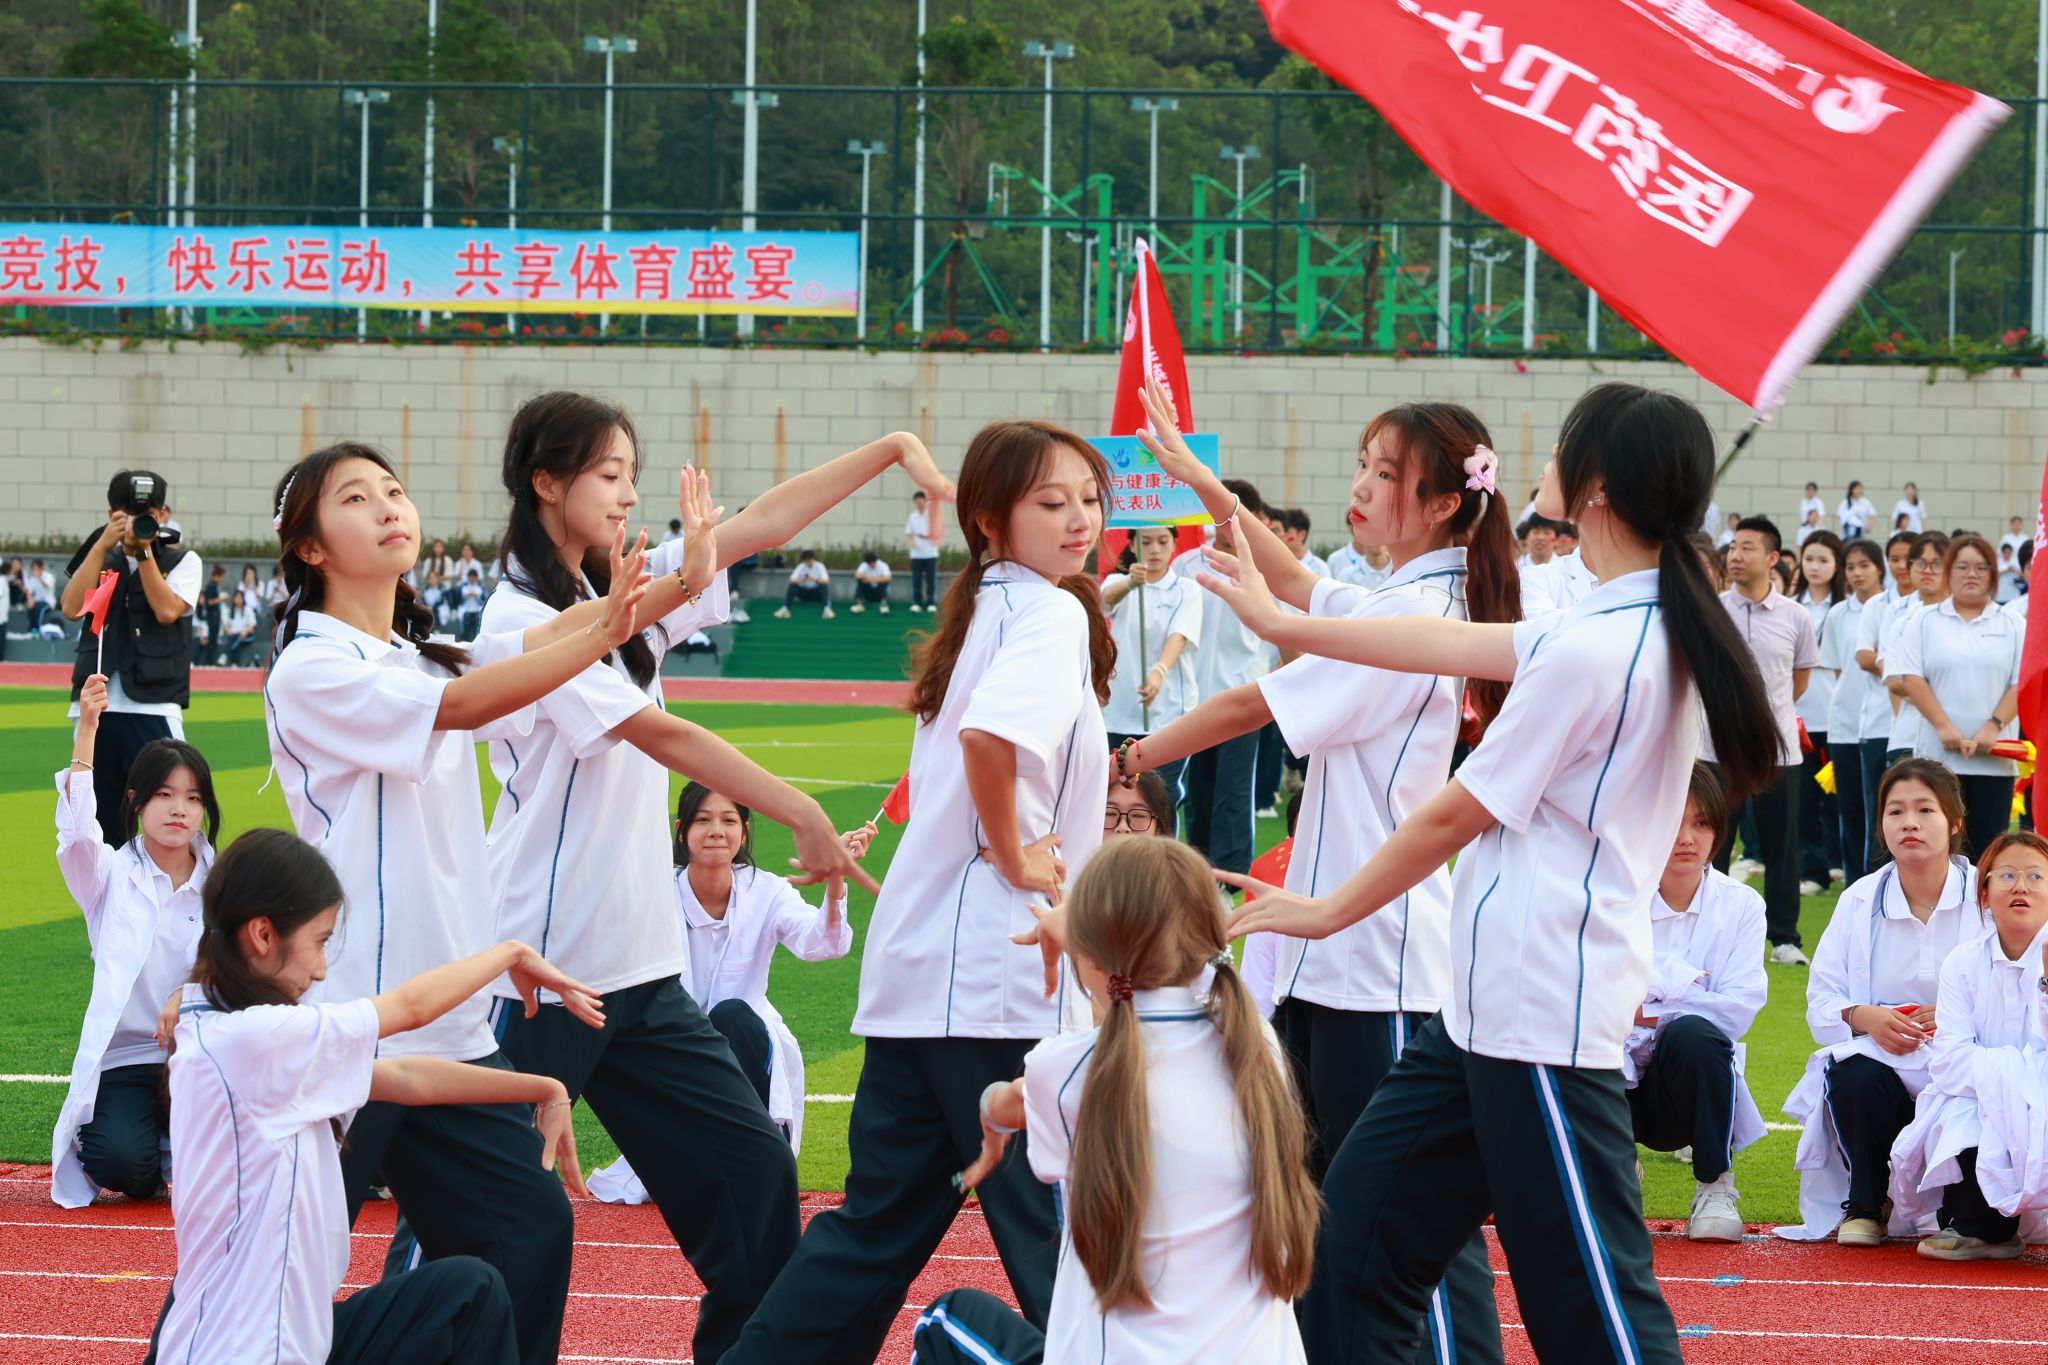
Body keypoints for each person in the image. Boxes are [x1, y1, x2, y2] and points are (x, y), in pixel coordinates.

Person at [1213, 382, 1778, 1362]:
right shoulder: (1602, 621)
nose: (1539, 461)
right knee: (1347, 1261)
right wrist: (1291, 623)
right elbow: (1437, 637)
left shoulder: (1603, 647)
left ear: (1595, 488)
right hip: (1481, 1013)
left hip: (1539, 1012)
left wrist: (1326, 909)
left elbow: (1453, 811)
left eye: (1561, 447)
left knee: (1591, 1313)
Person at [480, 392, 932, 1363]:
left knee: (756, 1183)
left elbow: (761, 522)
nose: (627, 494)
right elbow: (663, 735)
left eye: (632, 476)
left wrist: (892, 447)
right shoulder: (523, 619)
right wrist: (798, 807)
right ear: (545, 483)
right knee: (493, 1227)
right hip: (541, 972)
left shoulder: (616, 599)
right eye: (608, 474)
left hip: (639, 975)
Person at [1116, 381, 1517, 1363]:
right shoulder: (1403, 598)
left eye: (1387, 474)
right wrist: (1198, 478)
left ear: (1443, 503)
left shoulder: (1412, 615)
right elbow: (1296, 583)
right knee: (1329, 1209)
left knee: (1406, 1223)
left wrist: (1130, 757)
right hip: (1329, 956)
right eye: (1363, 466)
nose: (1363, 486)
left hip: (1373, 966)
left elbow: (1252, 703)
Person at [724, 420, 1113, 1364]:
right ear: (988, 520)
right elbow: (990, 740)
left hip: (922, 981)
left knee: (873, 1232)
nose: (1080, 520)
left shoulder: (987, 610)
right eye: (1051, 502)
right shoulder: (1048, 614)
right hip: (998, 981)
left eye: (1088, 499)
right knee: (1065, 1238)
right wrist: (1017, 856)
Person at [263, 440, 652, 1365]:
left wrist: (671, 584)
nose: (388, 506)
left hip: (447, 1022)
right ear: (310, 546)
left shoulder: (422, 658)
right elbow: (473, 703)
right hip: (353, 1021)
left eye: (394, 489)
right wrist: (606, 629)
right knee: (279, 1261)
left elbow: (539, 645)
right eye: (356, 498)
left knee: (528, 1227)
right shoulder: (312, 668)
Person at [151, 827, 601, 1365]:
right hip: (245, 1353)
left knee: (466, 1291)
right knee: (465, 1296)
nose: (322, 969)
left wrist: (544, 1089)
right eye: (320, 941)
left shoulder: (224, 1024)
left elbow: (407, 1079)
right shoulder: (255, 1041)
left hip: (295, 1342)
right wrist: (511, 953)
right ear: (263, 934)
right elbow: (410, 1009)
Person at [913, 837, 1321, 1365]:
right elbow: (1142, 1016)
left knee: (945, 1318)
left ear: (1092, 954)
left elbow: (998, 1103)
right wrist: (1095, 951)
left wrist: (992, 1137)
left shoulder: (1069, 1068)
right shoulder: (1256, 1046)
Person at [588, 783, 866, 1204]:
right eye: (703, 820)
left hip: (747, 1045)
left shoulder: (767, 891)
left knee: (732, 1015)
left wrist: (835, 880)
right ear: (681, 831)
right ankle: (697, 1157)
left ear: (744, 831)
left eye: (728, 820)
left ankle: (759, 1153)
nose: (716, 830)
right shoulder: (655, 894)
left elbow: (824, 944)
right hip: (675, 1051)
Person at [1778, 758, 1981, 1245]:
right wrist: (1862, 1016)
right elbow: (1822, 998)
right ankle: (1867, 1202)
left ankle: (1965, 1208)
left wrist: (1956, 1017)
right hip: (1887, 1067)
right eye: (1895, 811)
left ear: (1954, 821)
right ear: (1881, 824)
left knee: (1982, 1082)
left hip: (1962, 1065)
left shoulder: (1987, 894)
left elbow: (2022, 992)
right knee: (1853, 1072)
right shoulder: (1859, 900)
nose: (1910, 822)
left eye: (1925, 810)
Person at [49, 674, 218, 1209]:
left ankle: (177, 1142)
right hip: (126, 1059)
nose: (178, 809)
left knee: (227, 1165)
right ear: (135, 800)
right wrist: (88, 729)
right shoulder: (108, 875)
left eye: (192, 797)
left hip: (202, 1055)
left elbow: (245, 970)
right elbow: (78, 832)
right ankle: (154, 1148)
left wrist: (188, 995)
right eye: (164, 794)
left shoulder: (226, 881)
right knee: (120, 1162)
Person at [1625, 765, 1769, 1243]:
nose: (1687, 838)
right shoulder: (1614, 896)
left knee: (1695, 1034)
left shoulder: (1741, 905)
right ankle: (1612, 1170)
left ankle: (1714, 1184)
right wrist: (1683, 998)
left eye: (1702, 823)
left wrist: (1647, 1011)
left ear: (1719, 830)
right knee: (1589, 1033)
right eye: (1672, 822)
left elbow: (1738, 1009)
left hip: (1687, 1086)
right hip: (1611, 1079)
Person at [1888, 830, 2048, 1259]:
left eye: (2035, 876)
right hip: (1981, 1096)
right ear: (1984, 893)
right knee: (1963, 1110)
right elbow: (1949, 1062)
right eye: (2007, 875)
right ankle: (1981, 1228)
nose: (2020, 886)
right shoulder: (1962, 962)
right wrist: (2015, 1084)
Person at [61, 470, 204, 845]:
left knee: (170, 814)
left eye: (149, 515)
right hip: (97, 705)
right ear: (111, 515)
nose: (138, 522)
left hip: (155, 704)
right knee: (97, 821)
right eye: (126, 515)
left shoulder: (183, 560)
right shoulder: (99, 554)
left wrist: (143, 553)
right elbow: (72, 607)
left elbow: (167, 610)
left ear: (163, 515)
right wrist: (103, 545)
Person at [1709, 516, 1819, 966]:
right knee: (1713, 846)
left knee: (1781, 848)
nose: (1736, 555)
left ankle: (1784, 938)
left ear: (1772, 558)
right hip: (1716, 749)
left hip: (1778, 752)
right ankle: (1710, 935)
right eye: (1733, 547)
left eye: (1747, 547)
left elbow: (1798, 681)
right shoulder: (1712, 610)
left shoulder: (1796, 616)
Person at [1893, 533, 2024, 860]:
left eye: (1981, 567)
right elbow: (1912, 678)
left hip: (1994, 761)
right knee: (1936, 853)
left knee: (1987, 856)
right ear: (1949, 571)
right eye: (1962, 566)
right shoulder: (1924, 620)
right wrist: (1943, 727)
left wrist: (1992, 727)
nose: (1971, 574)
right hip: (1936, 760)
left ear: (1994, 575)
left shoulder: (2012, 623)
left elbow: (2020, 682)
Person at [1169, 478, 1273, 880]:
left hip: (1244, 696)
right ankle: (1198, 873)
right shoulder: (1185, 564)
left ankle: (1228, 880)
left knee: (1233, 791)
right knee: (1198, 790)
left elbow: (1287, 631)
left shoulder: (1264, 567)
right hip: (1193, 697)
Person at [1100, 525, 1203, 817]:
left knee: (1161, 798)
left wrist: (1158, 672)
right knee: (1116, 796)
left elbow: (1179, 635)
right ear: (1132, 545)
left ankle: (1162, 849)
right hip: (1120, 712)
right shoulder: (1117, 583)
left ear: (1174, 544)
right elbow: (1103, 602)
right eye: (1145, 542)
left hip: (1170, 713)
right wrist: (1131, 583)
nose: (1155, 549)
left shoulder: (1186, 588)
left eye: (1162, 541)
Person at [1827, 540, 1890, 882]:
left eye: (1864, 565)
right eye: (1850, 567)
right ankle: (1855, 886)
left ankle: (1885, 881)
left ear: (1879, 568)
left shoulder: (1892, 607)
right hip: (1845, 724)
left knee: (1881, 811)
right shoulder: (1838, 614)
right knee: (1850, 810)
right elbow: (1839, 669)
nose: (1857, 573)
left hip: (1883, 723)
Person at [1795, 531, 1847, 894]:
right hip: (1798, 716)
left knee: (1837, 798)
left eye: (1823, 560)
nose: (1815, 567)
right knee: (1804, 799)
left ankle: (1837, 861)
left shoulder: (1844, 609)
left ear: (1836, 565)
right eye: (1809, 559)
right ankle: (1812, 871)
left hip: (1837, 718)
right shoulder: (1789, 605)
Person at [1882, 531, 1952, 766]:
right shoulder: (1902, 620)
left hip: (1958, 738)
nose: (1927, 570)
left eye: (1937, 563)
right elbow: (1896, 682)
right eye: (1920, 563)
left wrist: (1919, 687)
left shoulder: (1965, 619)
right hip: (1907, 737)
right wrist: (1949, 690)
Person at [1328, 516, 1393, 590]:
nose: (1378, 537)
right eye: (1372, 532)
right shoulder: (1346, 577)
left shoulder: (1401, 573)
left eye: (1382, 532)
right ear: (1361, 536)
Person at [906, 488, 941, 612]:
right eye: (917, 501)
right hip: (916, 554)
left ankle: (931, 602)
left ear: (925, 501)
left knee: (931, 579)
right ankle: (917, 602)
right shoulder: (912, 517)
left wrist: (929, 536)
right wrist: (912, 543)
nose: (919, 503)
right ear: (915, 502)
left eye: (921, 500)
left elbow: (938, 531)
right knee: (916, 579)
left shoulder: (932, 515)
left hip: (930, 552)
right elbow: (908, 533)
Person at [775, 549, 833, 619]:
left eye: (810, 560)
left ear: (813, 559)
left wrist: (814, 579)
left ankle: (826, 609)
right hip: (804, 593)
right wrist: (803, 580)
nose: (808, 562)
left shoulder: (820, 566)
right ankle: (785, 608)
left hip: (816, 593)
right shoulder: (800, 566)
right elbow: (791, 580)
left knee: (824, 586)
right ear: (804, 560)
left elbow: (827, 581)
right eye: (806, 560)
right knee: (792, 586)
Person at [196, 563, 226, 664]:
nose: (222, 579)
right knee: (211, 639)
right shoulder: (210, 586)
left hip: (215, 615)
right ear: (216, 576)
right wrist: (221, 599)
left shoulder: (215, 585)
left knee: (213, 639)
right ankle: (208, 661)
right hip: (212, 615)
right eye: (221, 577)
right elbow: (209, 602)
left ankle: (211, 661)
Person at [220, 588, 258, 665]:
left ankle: (225, 655)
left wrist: (245, 631)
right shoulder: (230, 610)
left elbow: (252, 625)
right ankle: (235, 664)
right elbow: (226, 625)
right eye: (236, 597)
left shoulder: (248, 610)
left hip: (246, 636)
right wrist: (228, 630)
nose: (238, 599)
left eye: (240, 597)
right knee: (235, 640)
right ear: (233, 599)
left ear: (243, 599)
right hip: (234, 636)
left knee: (236, 639)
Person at [852, 549, 893, 613]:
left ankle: (883, 604)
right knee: (860, 582)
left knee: (885, 582)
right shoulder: (864, 565)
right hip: (868, 591)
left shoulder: (883, 565)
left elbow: (888, 578)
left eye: (873, 563)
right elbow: (857, 575)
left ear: (875, 561)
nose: (871, 565)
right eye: (869, 564)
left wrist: (868, 579)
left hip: (879, 591)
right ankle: (859, 603)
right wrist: (879, 578)